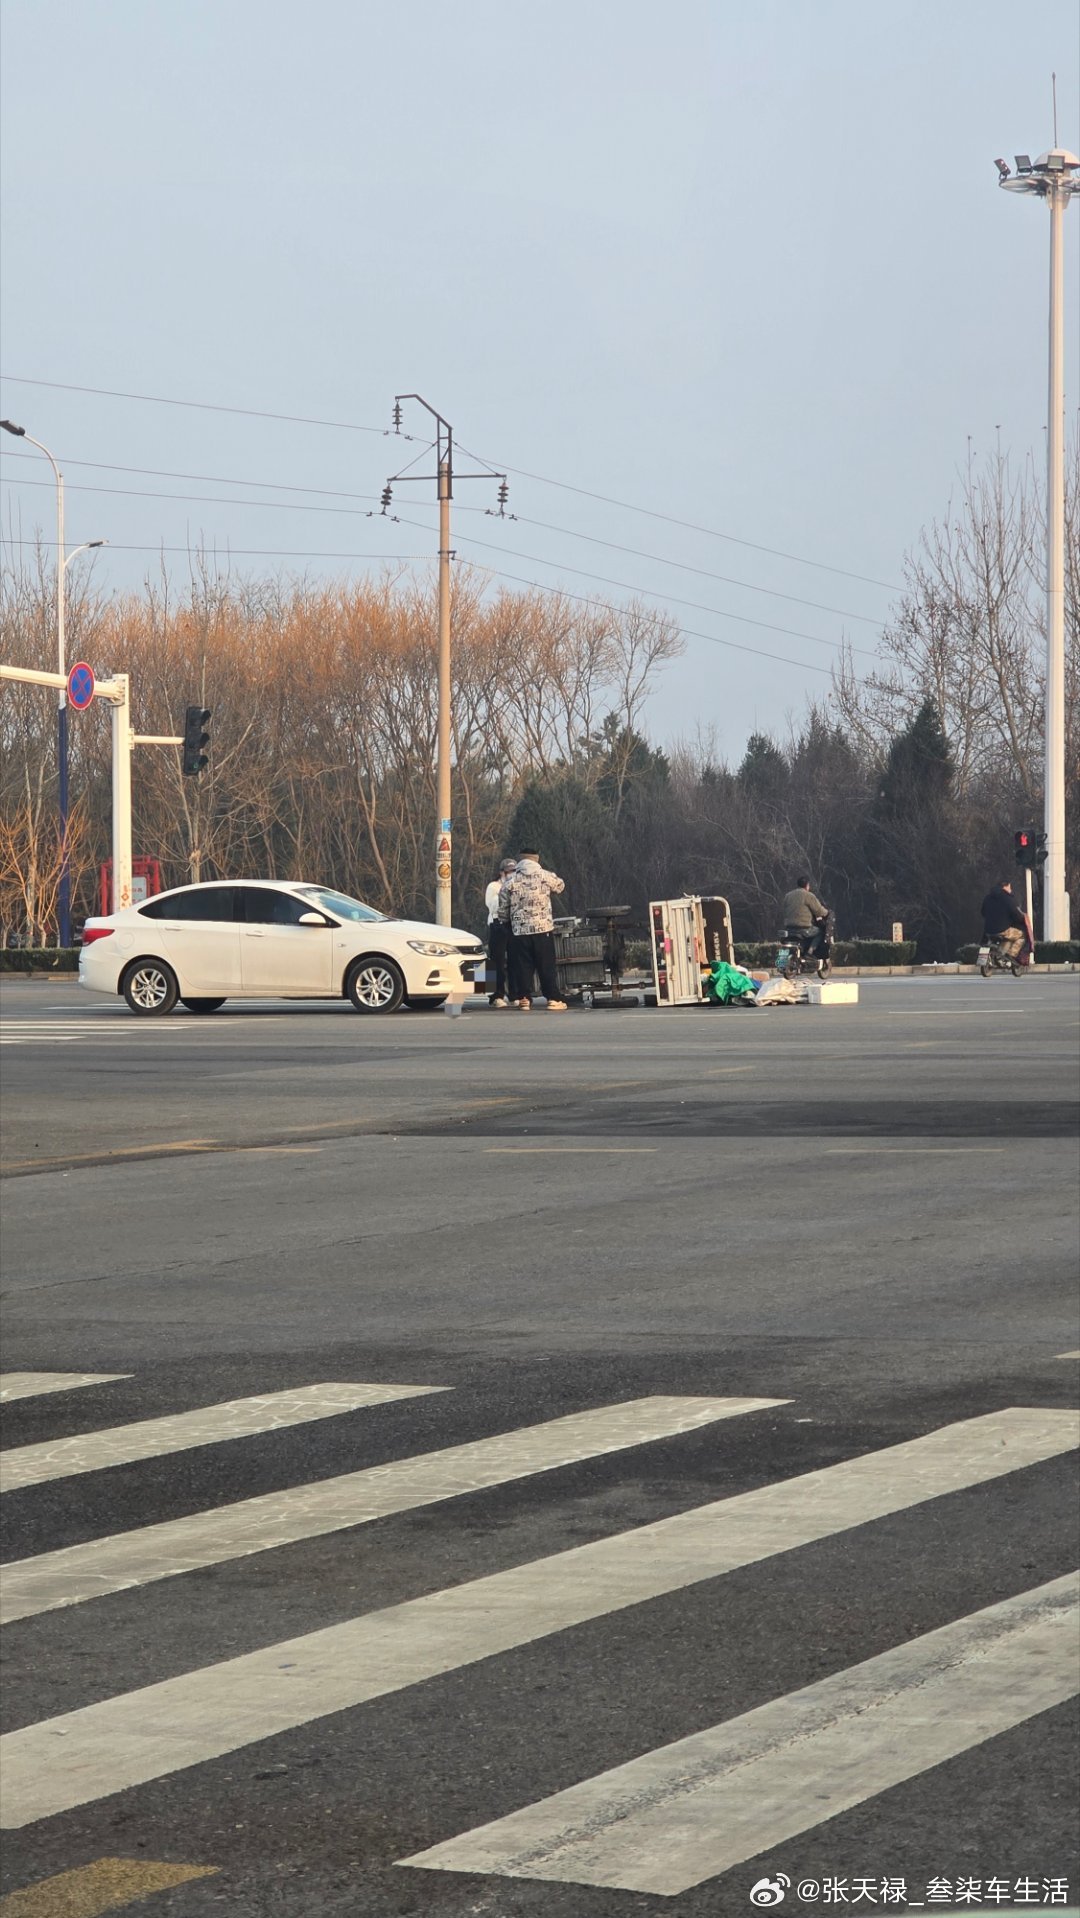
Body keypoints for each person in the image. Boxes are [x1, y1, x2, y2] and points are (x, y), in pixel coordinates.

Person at [498, 848, 568, 1010]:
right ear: (536, 859)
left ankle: (524, 998)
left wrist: (507, 921)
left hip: (519, 932)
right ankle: (552, 998)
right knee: (546, 965)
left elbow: (502, 910)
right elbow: (560, 886)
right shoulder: (545, 876)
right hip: (542, 929)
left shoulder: (511, 882)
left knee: (522, 966)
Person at [484, 858, 517, 1006]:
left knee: (515, 961)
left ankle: (515, 993)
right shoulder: (494, 886)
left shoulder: (517, 885)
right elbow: (492, 906)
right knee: (497, 961)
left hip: (513, 924)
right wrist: (505, 891)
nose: (511, 874)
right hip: (497, 924)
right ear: (502, 872)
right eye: (509, 871)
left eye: (514, 871)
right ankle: (497, 994)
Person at [980, 880, 1030, 962]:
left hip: (988, 930)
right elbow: (1016, 914)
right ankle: (1011, 955)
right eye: (1010, 887)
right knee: (1021, 935)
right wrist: (1021, 919)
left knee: (1005, 938)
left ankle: (986, 959)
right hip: (1003, 929)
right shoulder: (1008, 898)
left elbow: (983, 912)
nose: (1011, 890)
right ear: (1006, 887)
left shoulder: (988, 897)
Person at [781, 876, 830, 959]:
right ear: (807, 885)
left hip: (789, 928)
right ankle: (810, 952)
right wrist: (827, 912)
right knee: (820, 932)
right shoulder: (809, 896)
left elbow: (784, 909)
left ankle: (783, 961)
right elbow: (819, 910)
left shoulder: (787, 896)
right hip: (804, 929)